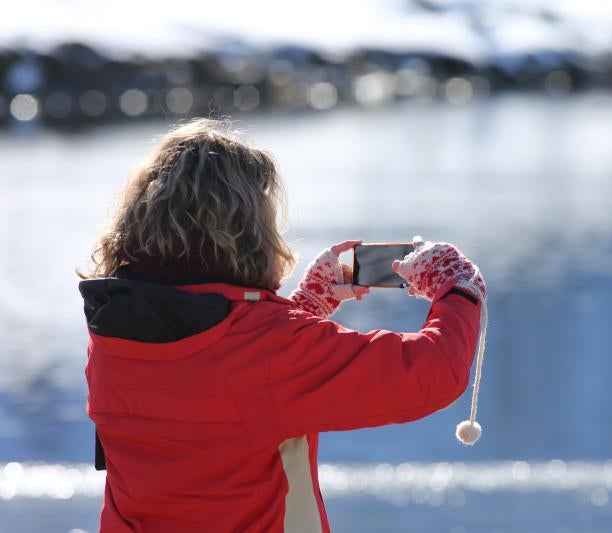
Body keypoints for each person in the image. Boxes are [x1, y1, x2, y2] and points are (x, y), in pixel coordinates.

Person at [77, 118, 487, 532]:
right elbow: (432, 373)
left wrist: (300, 312)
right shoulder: (270, 351)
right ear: (246, 230)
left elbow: (212, 385)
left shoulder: (112, 332)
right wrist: (458, 287)